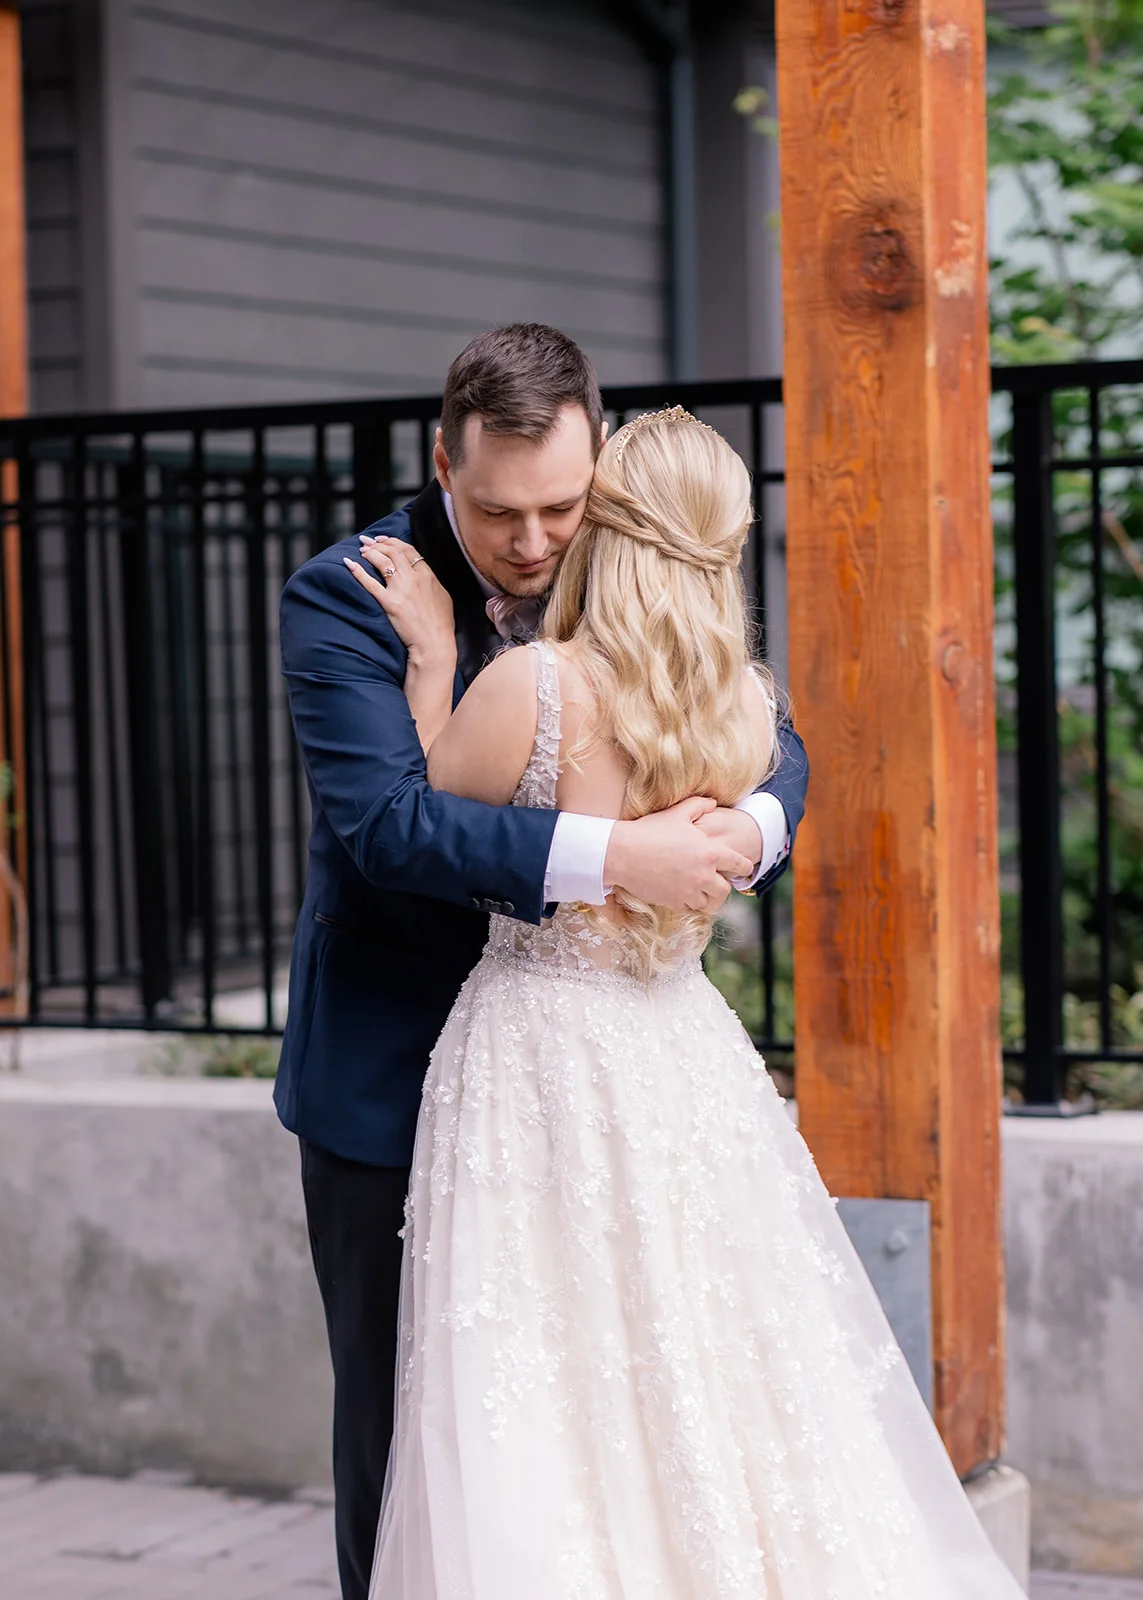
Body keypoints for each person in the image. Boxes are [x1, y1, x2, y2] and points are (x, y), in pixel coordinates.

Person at [349, 406, 1025, 1599]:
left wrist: (435, 668)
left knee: (542, 1381)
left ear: (605, 524)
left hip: (539, 1058)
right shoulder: (747, 707)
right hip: (681, 1049)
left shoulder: (538, 688)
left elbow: (419, 829)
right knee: (708, 1359)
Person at [275, 324, 809, 1600]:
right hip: (397, 1074)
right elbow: (388, 827)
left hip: (605, 1082)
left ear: (602, 475)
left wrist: (754, 824)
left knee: (621, 1417)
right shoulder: (348, 593)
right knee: (418, 1436)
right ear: (443, 464)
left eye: (563, 508)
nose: (532, 543)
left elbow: (767, 726)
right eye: (501, 510)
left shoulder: (633, 556)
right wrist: (624, 856)